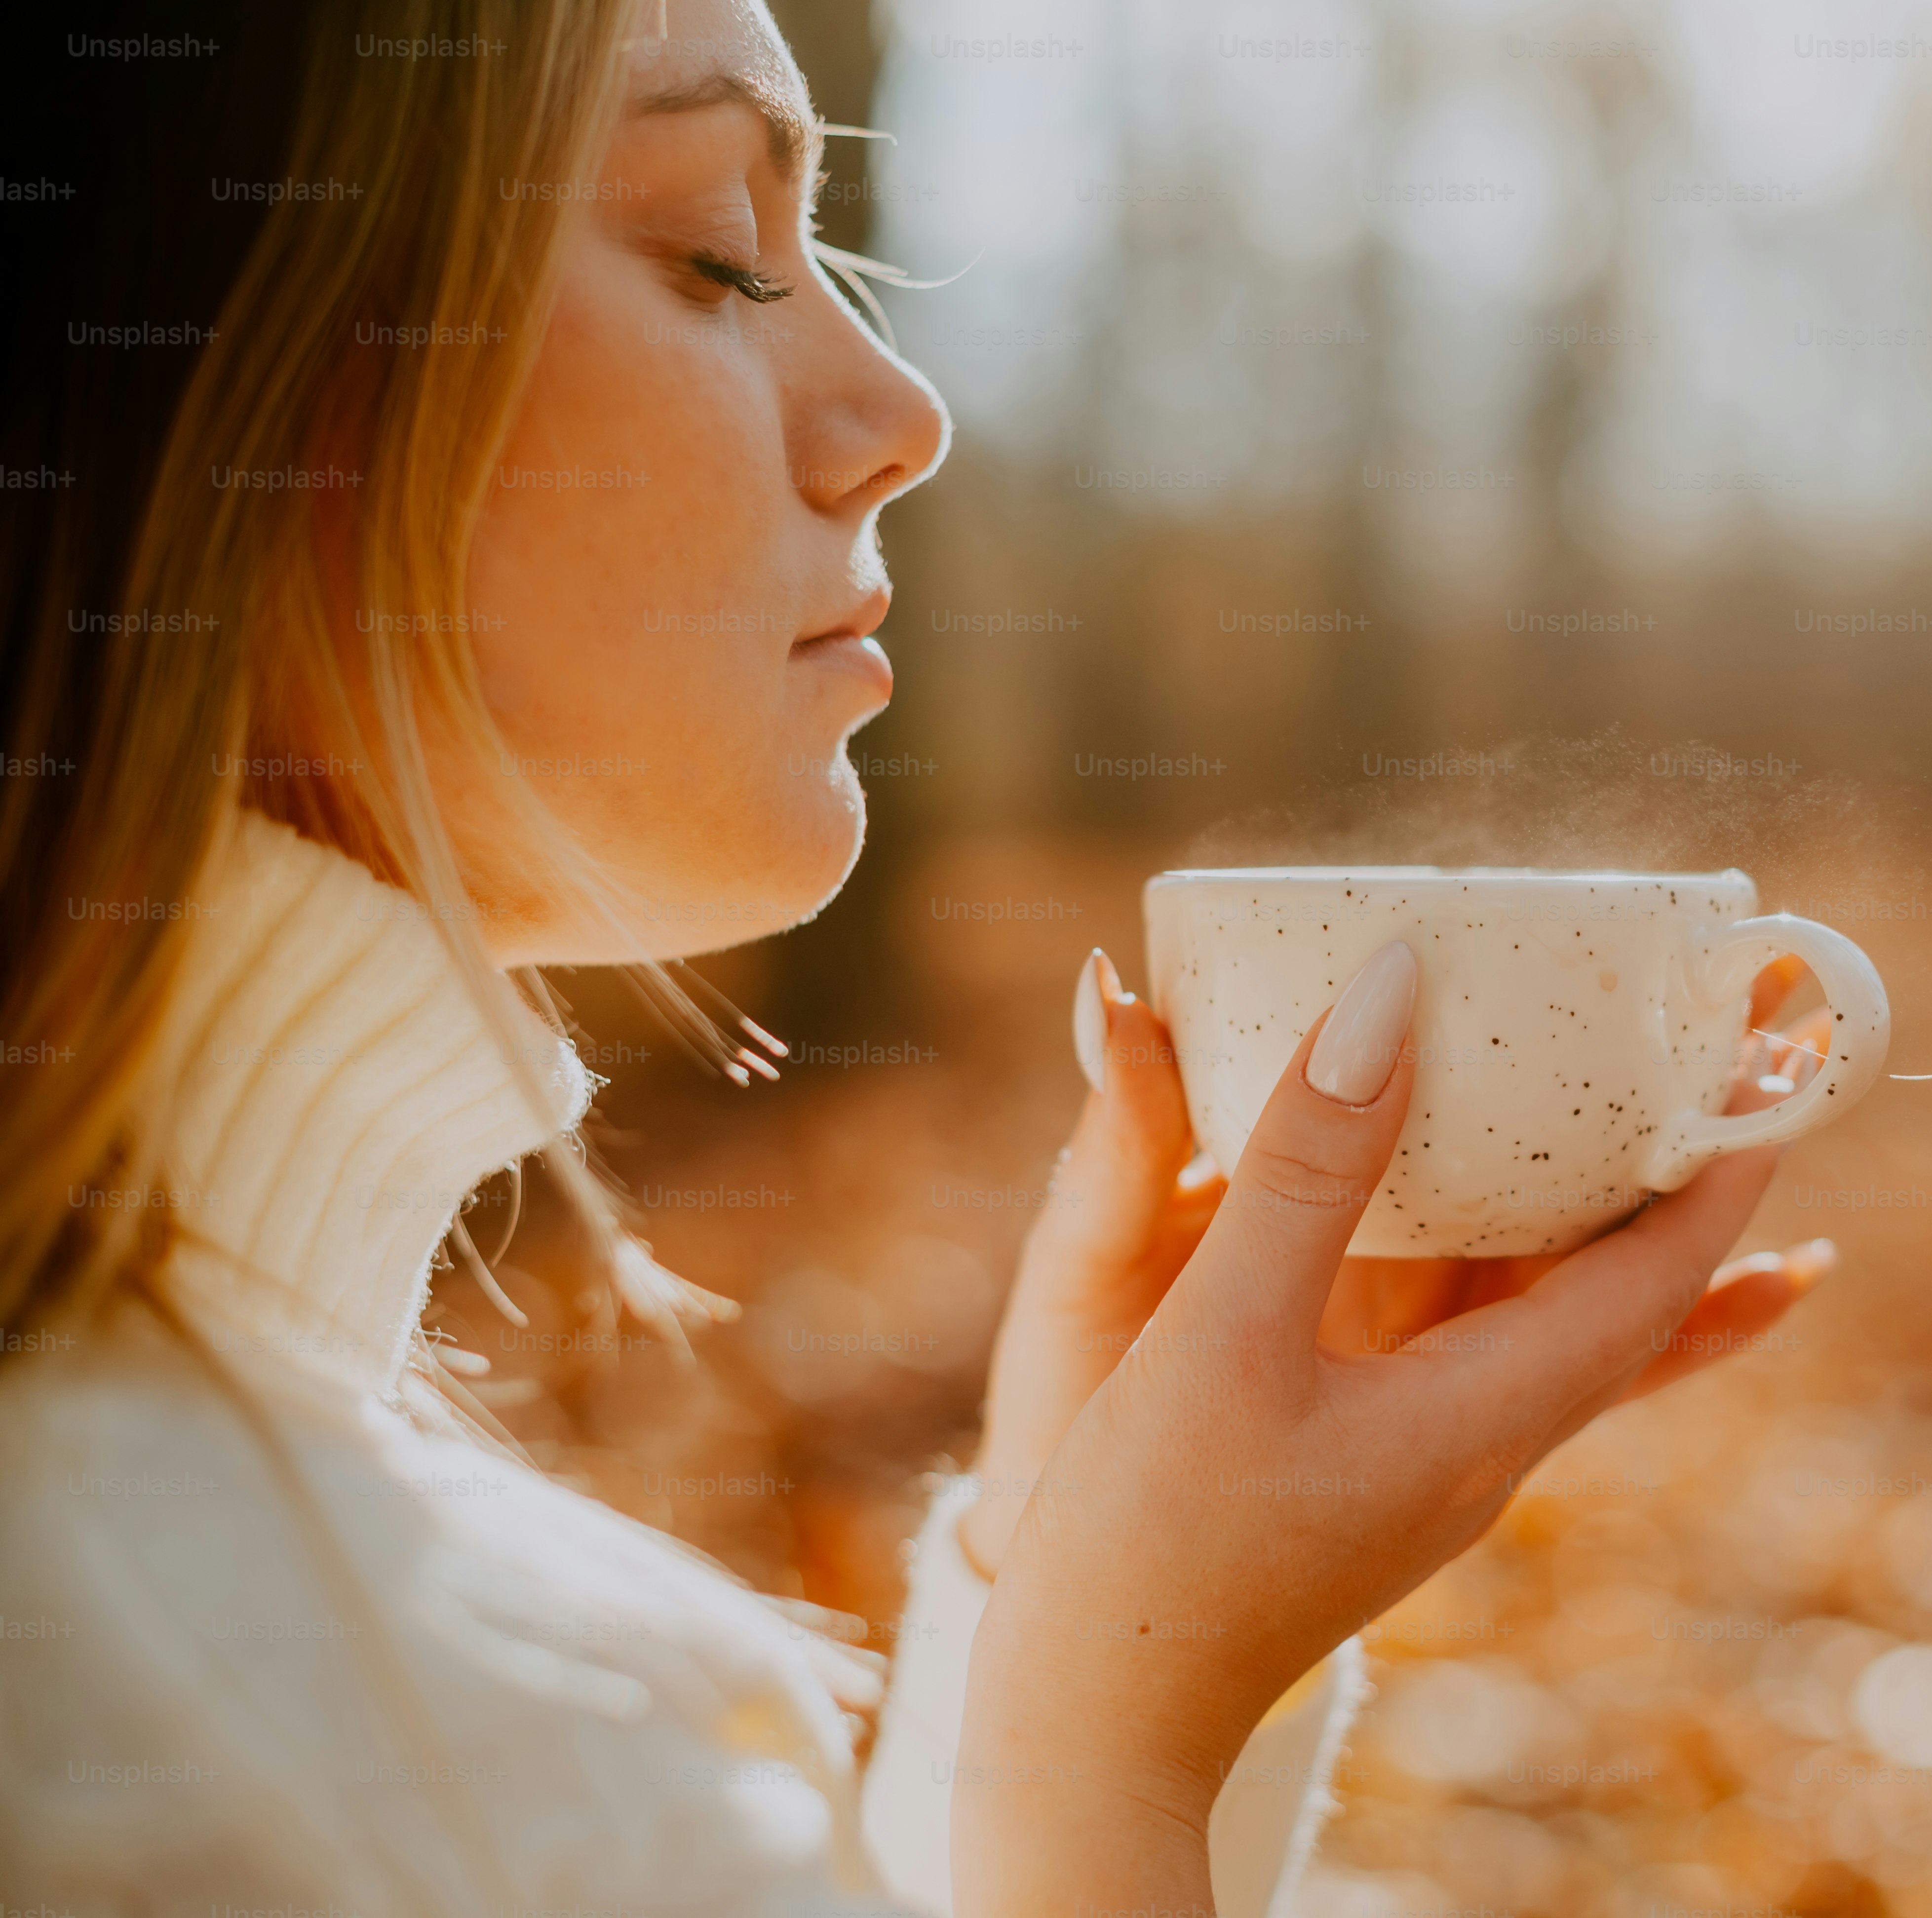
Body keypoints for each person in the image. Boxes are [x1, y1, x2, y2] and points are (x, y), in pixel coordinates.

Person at [0, 2, 1837, 1912]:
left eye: (829, 267)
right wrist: (1121, 1742)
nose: (903, 419)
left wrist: (1079, 1608)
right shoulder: (385, 1754)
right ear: (196, 361)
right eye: (719, 256)